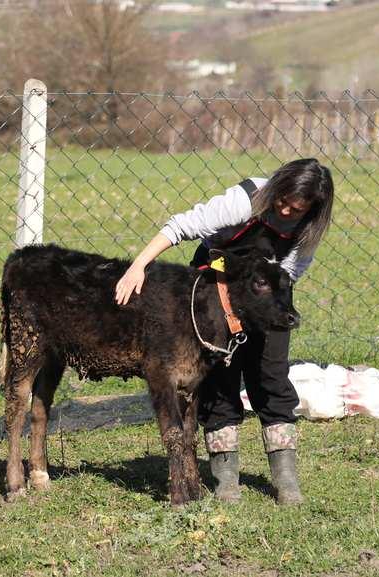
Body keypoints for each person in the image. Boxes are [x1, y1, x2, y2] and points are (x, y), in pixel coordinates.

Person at [115, 158, 334, 505]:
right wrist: (138, 266)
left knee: (271, 375)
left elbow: (289, 273)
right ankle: (226, 478)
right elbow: (180, 227)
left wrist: (261, 306)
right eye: (282, 202)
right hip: (212, 291)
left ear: (312, 210)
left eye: (296, 210)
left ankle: (286, 479)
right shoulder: (246, 199)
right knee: (220, 379)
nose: (286, 211)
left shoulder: (307, 229)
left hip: (265, 297)